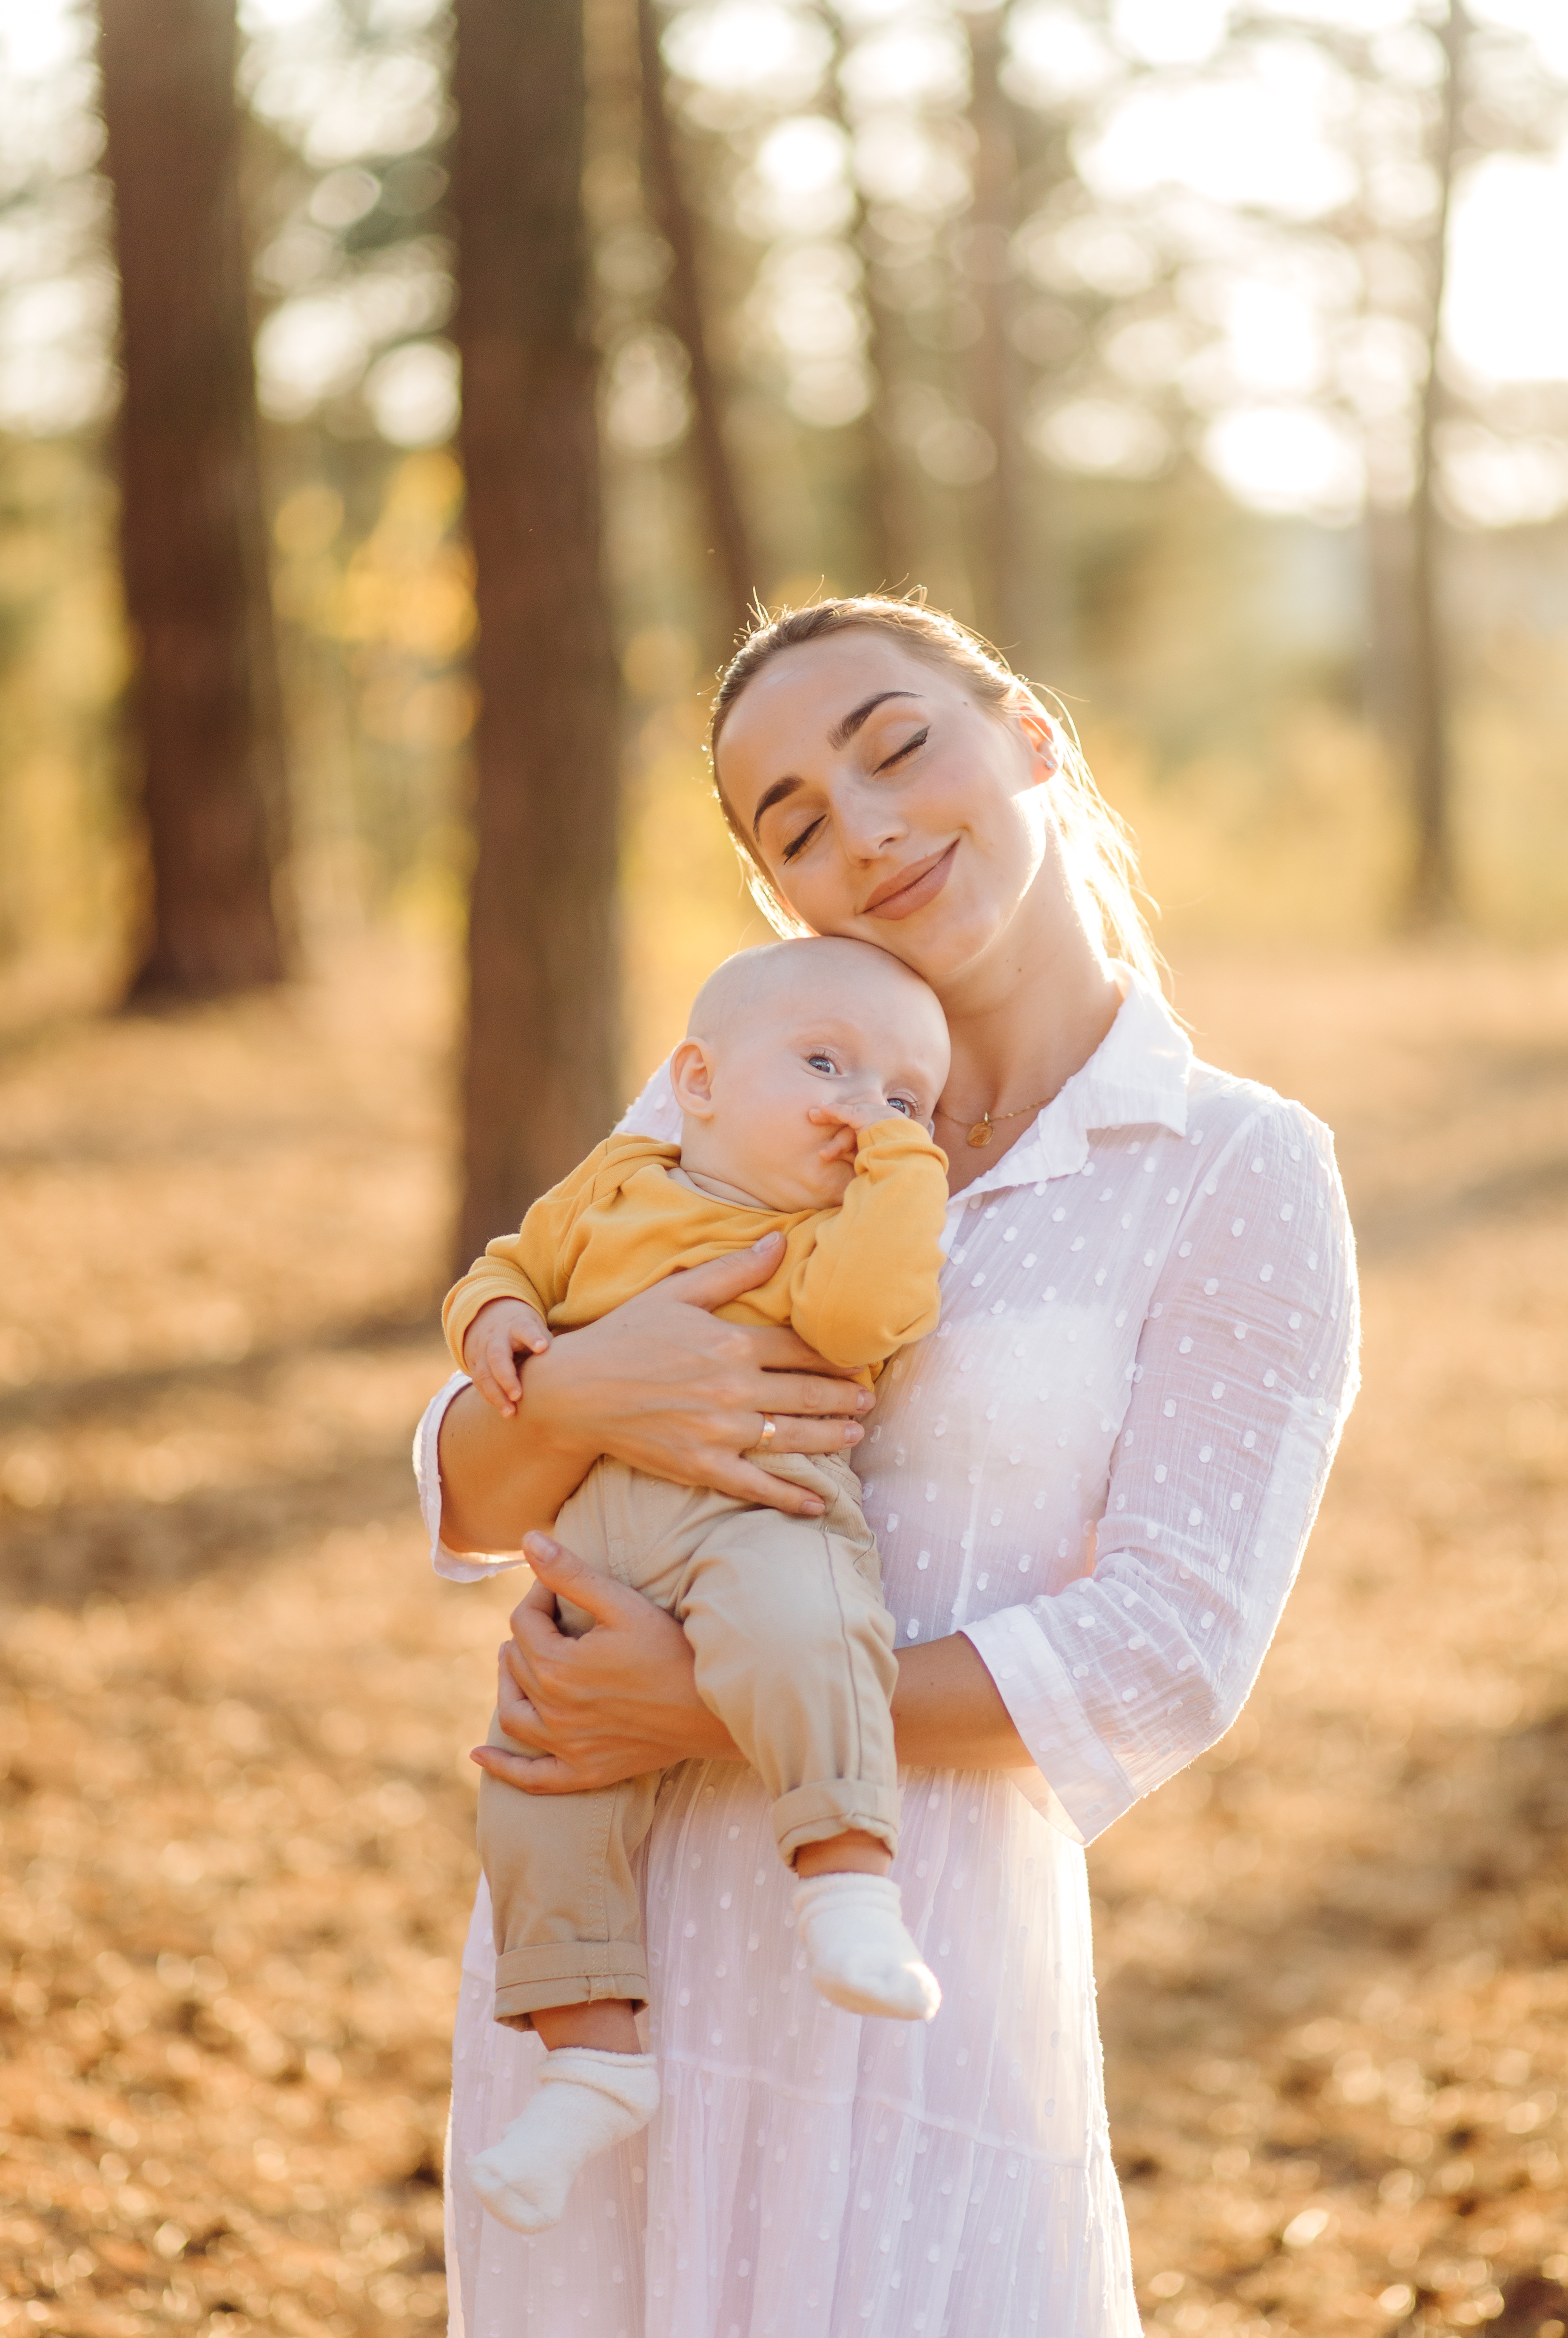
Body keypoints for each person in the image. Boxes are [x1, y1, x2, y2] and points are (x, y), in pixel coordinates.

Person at [414, 596, 1360, 2338]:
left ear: (1029, 742)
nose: (861, 826)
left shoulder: (1231, 1168)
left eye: (894, 747)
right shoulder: (746, 1085)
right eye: (794, 822)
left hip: (911, 1952)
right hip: (611, 1953)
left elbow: (1167, 1641)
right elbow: (473, 1495)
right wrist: (589, 1386)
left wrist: (702, 1702)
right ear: (784, 896)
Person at [443, 938, 951, 2236]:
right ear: (700, 1082)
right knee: (535, 1787)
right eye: (829, 1066)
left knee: (807, 1631)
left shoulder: (822, 1237)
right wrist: (499, 1325)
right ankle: (591, 2056)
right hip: (598, 1541)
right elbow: (515, 1263)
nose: (864, 1108)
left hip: (756, 1516)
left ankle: (846, 1877)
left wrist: (901, 1175)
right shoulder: (616, 1181)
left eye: (906, 1097)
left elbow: (869, 1315)